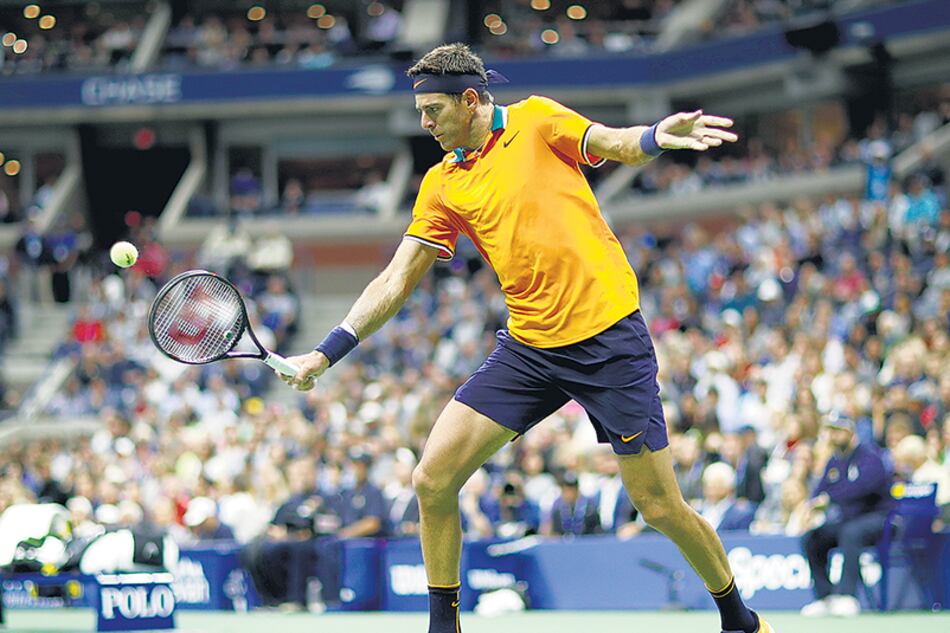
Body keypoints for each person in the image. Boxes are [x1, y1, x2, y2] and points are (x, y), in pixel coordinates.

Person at [280, 43, 769, 633]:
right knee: (432, 479)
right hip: (530, 349)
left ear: (470, 100)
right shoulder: (442, 183)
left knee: (659, 505)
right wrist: (325, 352)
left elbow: (611, 143)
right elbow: (396, 276)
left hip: (609, 340)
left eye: (433, 110)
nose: (424, 123)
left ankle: (739, 619)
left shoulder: (536, 120)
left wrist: (656, 136)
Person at [800, 413, 893, 618]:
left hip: (879, 517)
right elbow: (821, 489)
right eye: (829, 430)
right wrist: (812, 505)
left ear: (850, 431)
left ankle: (847, 596)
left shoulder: (870, 455)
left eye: (837, 430)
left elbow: (864, 487)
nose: (832, 435)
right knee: (812, 538)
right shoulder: (834, 461)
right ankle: (825, 597)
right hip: (849, 520)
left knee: (851, 532)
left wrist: (829, 499)